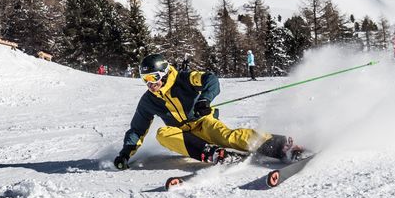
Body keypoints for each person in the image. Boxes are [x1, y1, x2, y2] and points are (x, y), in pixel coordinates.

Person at [113, 54, 297, 169]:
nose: (150, 84)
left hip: (203, 122)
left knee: (229, 137)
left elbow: (211, 80)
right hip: (183, 134)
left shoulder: (184, 79)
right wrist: (125, 153)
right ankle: (210, 153)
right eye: (145, 79)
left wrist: (204, 100)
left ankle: (281, 145)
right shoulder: (148, 100)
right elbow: (137, 129)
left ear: (164, 72)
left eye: (153, 77)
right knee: (163, 134)